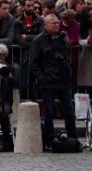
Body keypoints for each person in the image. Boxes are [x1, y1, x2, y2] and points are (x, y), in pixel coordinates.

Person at [29, 14, 79, 150]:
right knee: (49, 111)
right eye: (54, 24)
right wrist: (42, 78)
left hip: (63, 79)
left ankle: (72, 137)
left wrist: (67, 72)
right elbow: (33, 63)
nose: (57, 25)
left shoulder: (62, 38)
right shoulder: (38, 40)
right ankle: (49, 139)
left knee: (69, 110)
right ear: (46, 24)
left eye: (58, 23)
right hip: (48, 80)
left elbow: (66, 56)